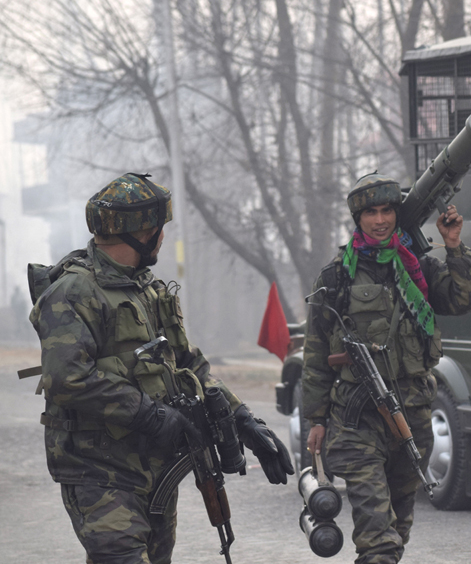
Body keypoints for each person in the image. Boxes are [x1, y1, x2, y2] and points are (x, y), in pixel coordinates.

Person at [27, 173, 294, 564]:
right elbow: (67, 378)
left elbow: (188, 362)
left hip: (154, 468)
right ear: (140, 233)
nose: (163, 237)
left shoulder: (149, 290)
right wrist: (150, 414)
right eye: (159, 228)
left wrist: (243, 419)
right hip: (99, 469)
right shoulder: (73, 293)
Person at [302, 173, 471, 564]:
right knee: (378, 538)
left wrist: (453, 246)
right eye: (371, 212)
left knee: (397, 531)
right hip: (357, 420)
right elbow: (317, 355)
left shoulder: (417, 269)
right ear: (359, 218)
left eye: (387, 210)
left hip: (412, 416)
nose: (381, 220)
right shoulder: (336, 277)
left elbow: (469, 297)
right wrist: (316, 420)